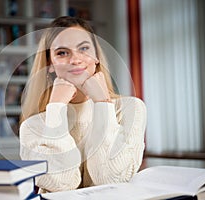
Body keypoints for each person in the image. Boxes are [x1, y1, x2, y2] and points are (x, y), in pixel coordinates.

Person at [19, 16, 147, 193]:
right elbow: (63, 183)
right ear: (49, 64)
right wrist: (55, 108)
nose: (75, 60)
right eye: (62, 53)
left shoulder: (131, 109)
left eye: (84, 49)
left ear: (96, 57)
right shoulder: (31, 127)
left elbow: (110, 178)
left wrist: (103, 104)